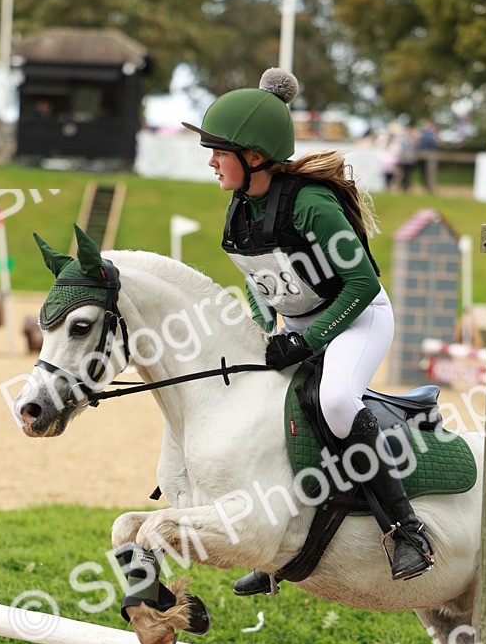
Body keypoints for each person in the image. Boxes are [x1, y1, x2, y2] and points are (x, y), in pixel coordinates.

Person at [183, 68, 434, 595]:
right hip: (301, 320)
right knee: (262, 405)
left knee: (337, 402)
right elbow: (260, 279)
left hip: (357, 316)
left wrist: (308, 340)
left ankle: (406, 530)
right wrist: (262, 326)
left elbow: (362, 282)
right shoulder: (240, 209)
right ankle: (281, 541)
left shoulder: (309, 204)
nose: (210, 161)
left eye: (218, 151)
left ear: (253, 156)